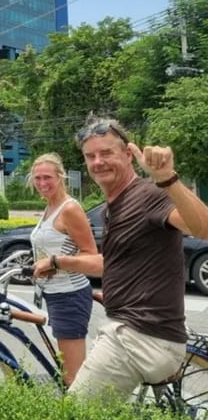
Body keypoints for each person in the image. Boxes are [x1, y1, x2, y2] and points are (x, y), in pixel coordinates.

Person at [34, 117, 208, 400]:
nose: (98, 162)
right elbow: (117, 261)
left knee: (75, 412)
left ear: (128, 154)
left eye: (107, 153)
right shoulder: (111, 207)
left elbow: (203, 228)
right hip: (134, 327)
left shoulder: (149, 195)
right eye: (90, 156)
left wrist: (167, 178)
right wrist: (110, 290)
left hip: (142, 335)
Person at [28, 153, 96, 387]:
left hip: (69, 294)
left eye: (47, 177)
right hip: (54, 294)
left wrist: (55, 262)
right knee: (67, 370)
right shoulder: (50, 207)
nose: (42, 183)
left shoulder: (69, 209)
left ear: (60, 177)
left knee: (73, 378)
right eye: (37, 178)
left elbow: (91, 254)